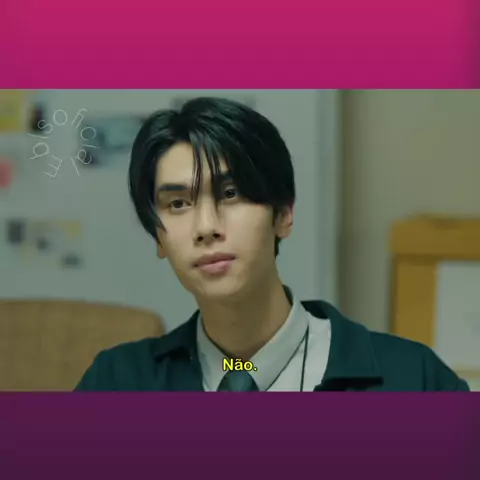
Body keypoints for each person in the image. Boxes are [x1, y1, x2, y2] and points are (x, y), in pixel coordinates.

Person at [74, 97, 469, 392]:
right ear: (158, 237)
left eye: (230, 194)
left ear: (283, 214)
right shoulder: (118, 383)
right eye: (178, 204)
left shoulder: (411, 379)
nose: (205, 227)